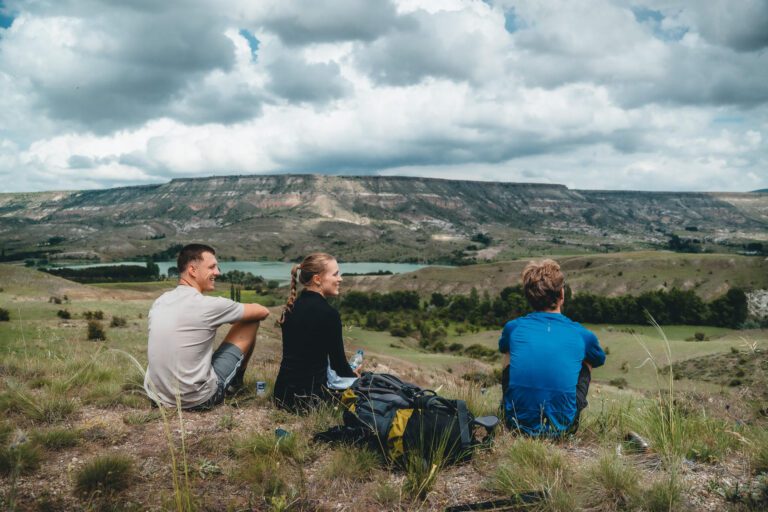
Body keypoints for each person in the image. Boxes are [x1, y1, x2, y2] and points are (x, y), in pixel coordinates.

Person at [144, 244, 270, 410]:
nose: (217, 272)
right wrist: (238, 314)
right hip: (197, 400)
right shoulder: (208, 305)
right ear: (192, 270)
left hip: (156, 397)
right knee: (250, 319)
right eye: (212, 267)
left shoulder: (160, 301)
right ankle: (234, 384)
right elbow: (263, 311)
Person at [499, 259, 605, 436]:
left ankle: (510, 406)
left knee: (509, 349)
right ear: (562, 295)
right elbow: (598, 359)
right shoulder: (582, 334)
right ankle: (564, 414)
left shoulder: (513, 328)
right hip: (562, 429)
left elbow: (503, 349)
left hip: (515, 423)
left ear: (530, 298)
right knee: (586, 359)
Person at [274, 252, 360, 411]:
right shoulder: (329, 314)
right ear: (317, 279)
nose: (340, 279)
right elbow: (339, 366)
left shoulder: (290, 308)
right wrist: (356, 377)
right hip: (310, 401)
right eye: (335, 274)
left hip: (281, 396)